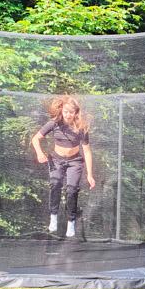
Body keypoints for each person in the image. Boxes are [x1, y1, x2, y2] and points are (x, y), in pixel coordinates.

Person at [31, 95, 96, 237]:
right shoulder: (54, 123)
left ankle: (71, 221)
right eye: (66, 111)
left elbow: (87, 151)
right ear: (62, 111)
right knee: (55, 183)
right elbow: (36, 138)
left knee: (72, 190)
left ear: (75, 113)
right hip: (56, 159)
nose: (68, 115)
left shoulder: (81, 128)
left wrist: (90, 174)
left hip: (75, 161)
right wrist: (39, 153)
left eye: (71, 112)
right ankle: (53, 215)